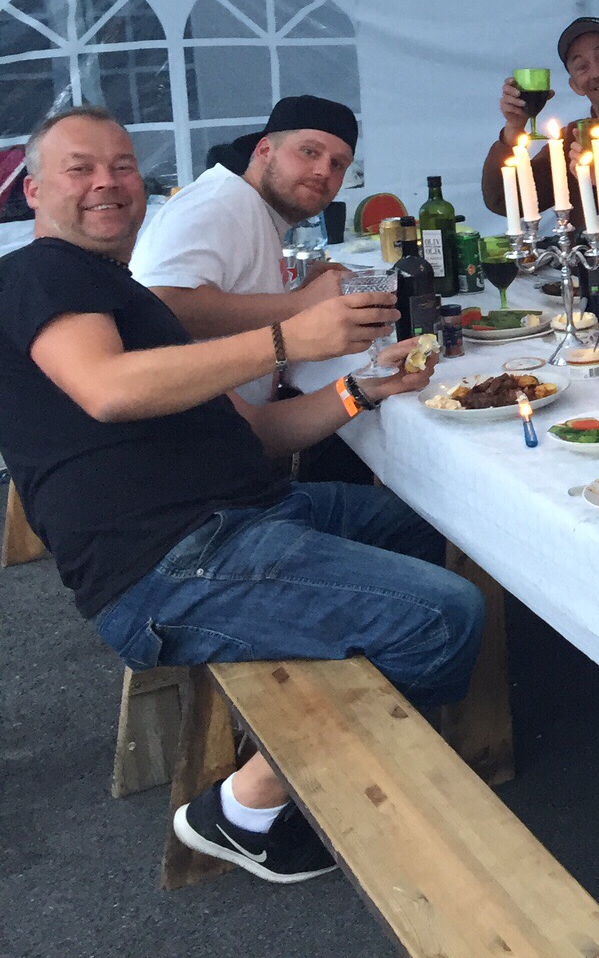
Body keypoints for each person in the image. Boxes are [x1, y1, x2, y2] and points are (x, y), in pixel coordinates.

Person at [0, 106, 480, 883]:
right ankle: (246, 807)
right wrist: (290, 335)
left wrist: (361, 389)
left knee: (438, 525)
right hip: (167, 564)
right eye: (79, 168)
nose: (107, 183)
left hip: (249, 514)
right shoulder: (39, 272)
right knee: (444, 614)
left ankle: (343, 709)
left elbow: (257, 433)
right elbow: (107, 390)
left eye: (122, 166)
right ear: (32, 190)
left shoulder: (128, 296)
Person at [131, 94, 370, 480]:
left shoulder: (253, 209)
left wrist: (299, 295)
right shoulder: (221, 202)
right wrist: (301, 305)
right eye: (309, 152)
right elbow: (161, 306)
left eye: (338, 164)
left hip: (244, 435)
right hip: (197, 466)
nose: (323, 171)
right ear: (264, 150)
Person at [480, 17, 599, 218]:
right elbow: (503, 200)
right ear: (575, 86)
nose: (597, 73)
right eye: (582, 67)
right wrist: (513, 128)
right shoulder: (570, 142)